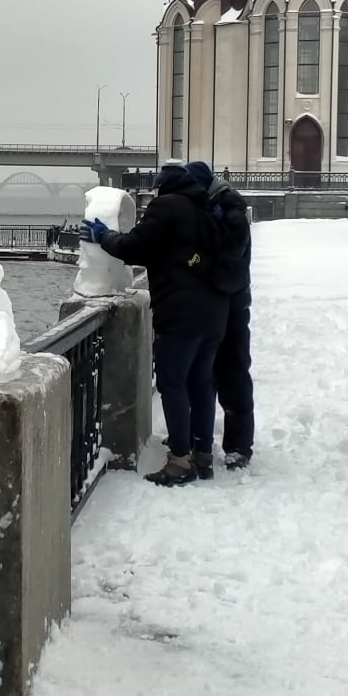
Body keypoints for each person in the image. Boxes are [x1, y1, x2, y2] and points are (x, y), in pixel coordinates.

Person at [84, 161, 228, 485]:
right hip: (214, 311)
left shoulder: (167, 207)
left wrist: (104, 236)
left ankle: (179, 461)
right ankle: (201, 452)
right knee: (201, 382)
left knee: (172, 381)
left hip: (181, 313)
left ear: (162, 187)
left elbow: (136, 246)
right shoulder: (205, 209)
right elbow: (192, 256)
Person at [186, 162, 254, 469]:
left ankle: (239, 446)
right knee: (202, 375)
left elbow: (227, 266)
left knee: (232, 374)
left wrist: (193, 260)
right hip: (212, 307)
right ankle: (198, 437)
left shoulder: (231, 212)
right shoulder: (212, 207)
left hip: (231, 307)